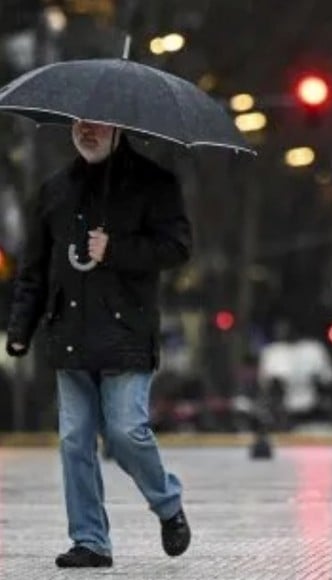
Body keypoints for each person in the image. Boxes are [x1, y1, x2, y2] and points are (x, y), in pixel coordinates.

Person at [5, 121, 193, 567]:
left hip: (126, 333)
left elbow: (177, 248)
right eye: (79, 123)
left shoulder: (154, 184)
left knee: (127, 431)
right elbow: (34, 269)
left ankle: (167, 505)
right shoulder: (54, 190)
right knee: (74, 441)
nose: (85, 132)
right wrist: (20, 330)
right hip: (69, 334)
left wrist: (117, 248)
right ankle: (90, 539)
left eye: (96, 124)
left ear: (119, 129)